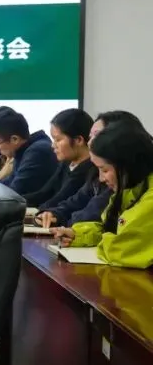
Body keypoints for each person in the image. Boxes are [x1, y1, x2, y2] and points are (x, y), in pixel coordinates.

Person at [51, 122, 153, 268]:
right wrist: (78, 235)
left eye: (104, 170)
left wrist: (103, 242)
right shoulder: (132, 186)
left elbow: (121, 249)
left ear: (126, 165)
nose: (101, 179)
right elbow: (108, 226)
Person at [40, 110, 146, 228]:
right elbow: (75, 202)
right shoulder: (95, 172)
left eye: (98, 136)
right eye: (90, 137)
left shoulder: (118, 180)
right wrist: (55, 214)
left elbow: (91, 216)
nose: (89, 143)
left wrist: (64, 224)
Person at [24, 108, 95, 210]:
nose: (53, 145)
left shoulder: (91, 170)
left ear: (78, 140)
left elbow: (59, 199)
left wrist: (39, 212)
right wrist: (15, 202)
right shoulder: (66, 163)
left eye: (58, 140)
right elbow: (44, 193)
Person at [0, 109, 56, 196]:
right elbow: (9, 182)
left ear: (15, 139)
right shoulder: (22, 150)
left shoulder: (37, 152)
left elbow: (15, 191)